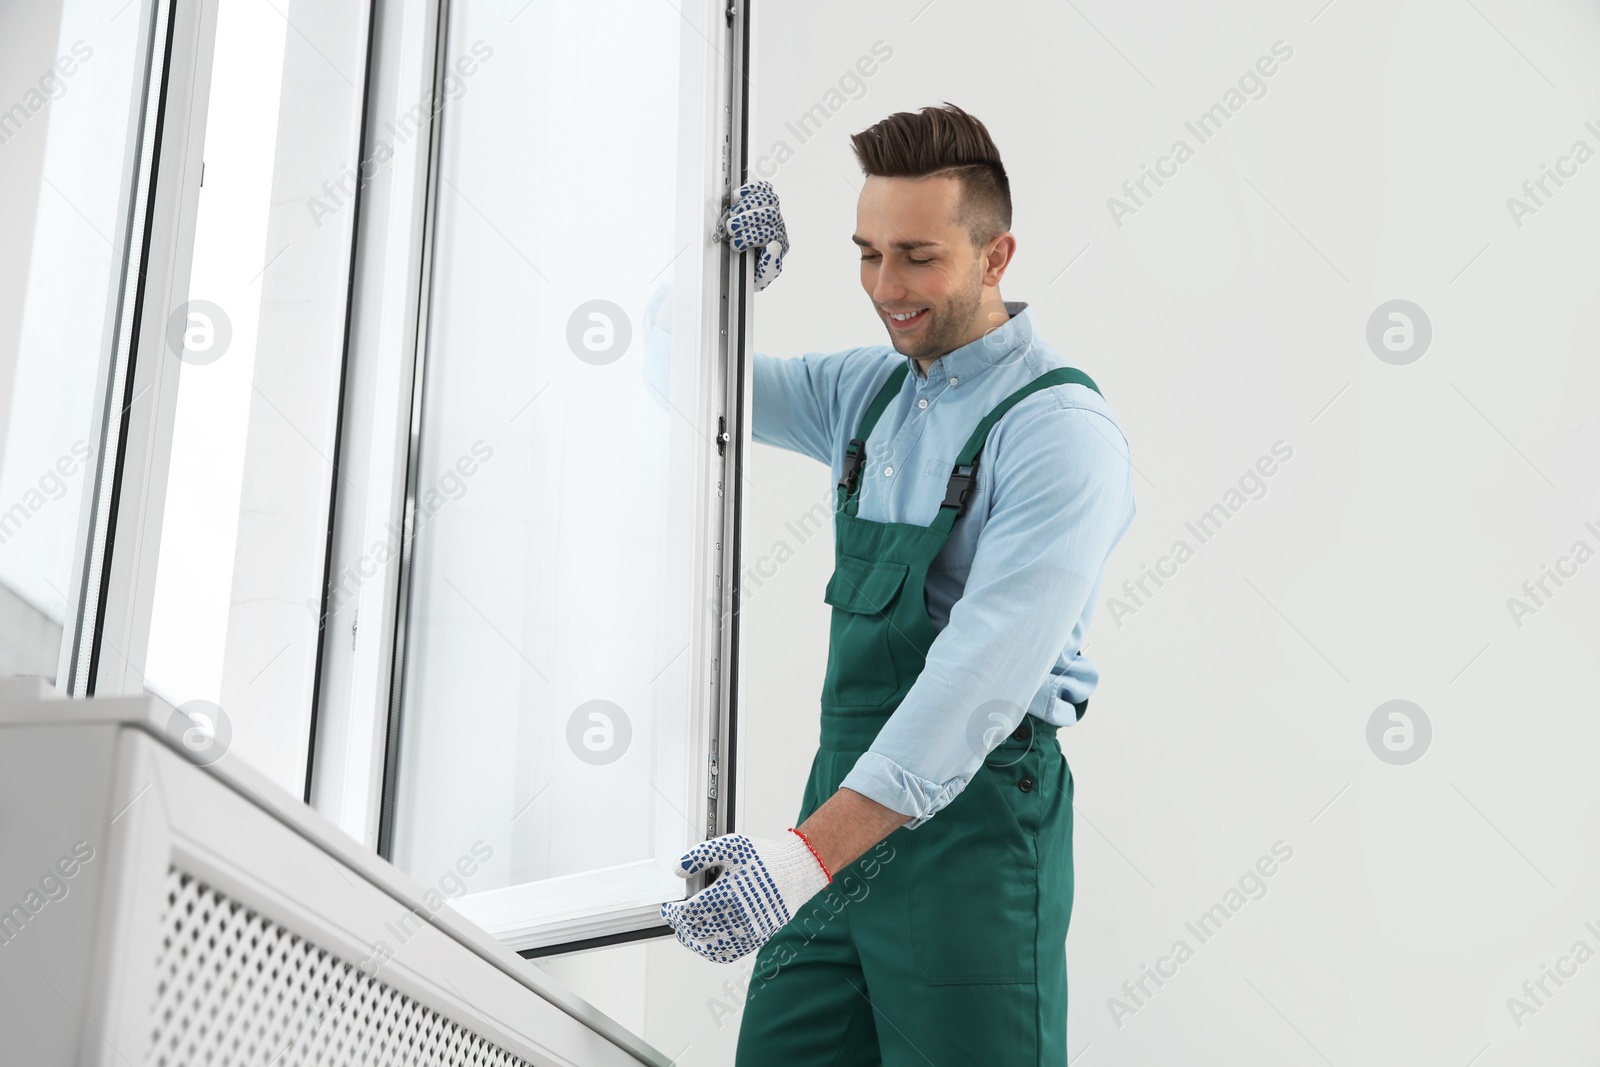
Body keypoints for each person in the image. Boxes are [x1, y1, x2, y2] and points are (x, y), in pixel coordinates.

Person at [660, 102, 1136, 1065]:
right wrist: (715, 275)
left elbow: (976, 683)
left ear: (997, 256)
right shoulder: (864, 390)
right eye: (867, 253)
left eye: (917, 255)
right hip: (839, 818)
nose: (887, 286)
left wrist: (797, 861)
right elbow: (675, 371)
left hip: (976, 834)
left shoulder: (1056, 432)